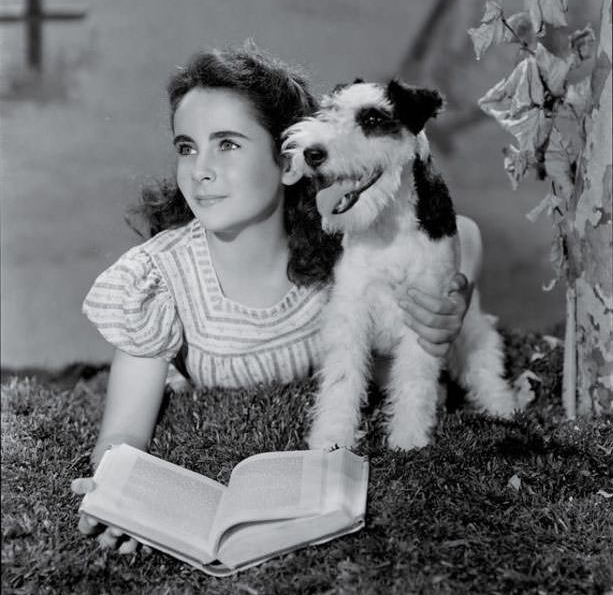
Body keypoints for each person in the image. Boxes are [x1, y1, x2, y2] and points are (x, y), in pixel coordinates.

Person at [71, 42, 480, 552]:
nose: (200, 169)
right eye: (186, 147)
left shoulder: (342, 243)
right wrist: (117, 495)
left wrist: (452, 295)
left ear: (288, 164)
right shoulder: (159, 278)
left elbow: (460, 230)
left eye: (227, 144)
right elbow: (124, 431)